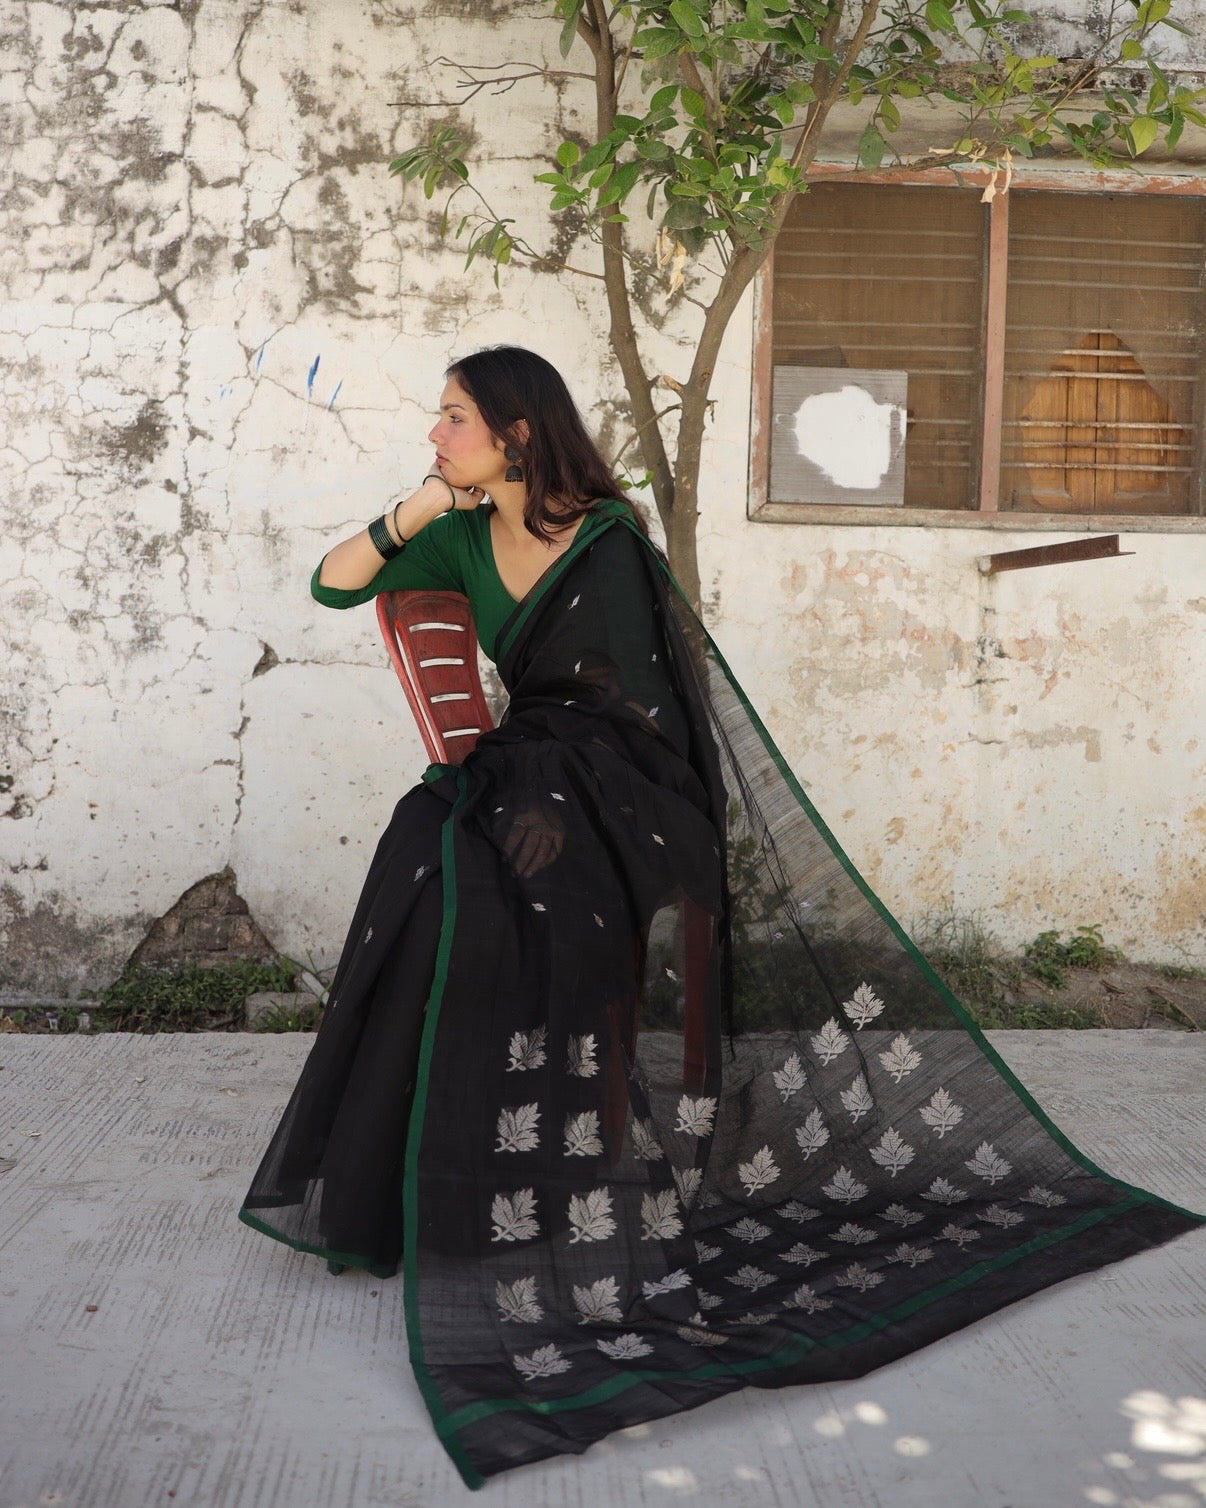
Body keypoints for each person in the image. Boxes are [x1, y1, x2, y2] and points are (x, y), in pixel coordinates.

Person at [238, 345, 1204, 1490]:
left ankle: (553, 1151)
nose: (436, 433)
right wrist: (411, 511)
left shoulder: (607, 538)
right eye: (439, 418)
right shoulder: (452, 529)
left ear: (518, 432)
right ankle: (427, 1160)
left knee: (516, 875)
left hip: (636, 788)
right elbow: (334, 583)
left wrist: (564, 785)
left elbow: (651, 708)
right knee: (430, 859)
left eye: (454, 419)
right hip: (537, 768)